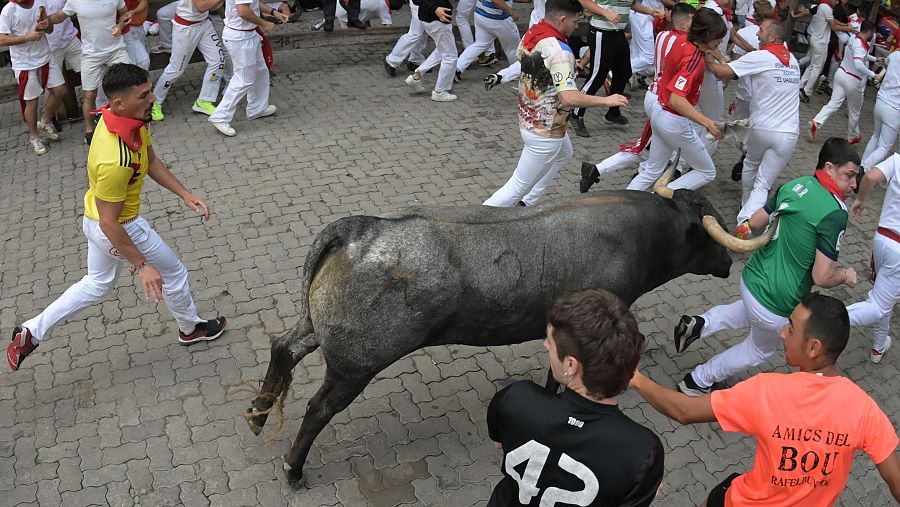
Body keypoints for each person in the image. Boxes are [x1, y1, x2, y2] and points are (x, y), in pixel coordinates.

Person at [7, 64, 227, 372]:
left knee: (97, 284)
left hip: (95, 219)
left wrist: (184, 194)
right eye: (144, 95)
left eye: (150, 90)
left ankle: (31, 331)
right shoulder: (116, 160)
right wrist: (141, 266)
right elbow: (111, 224)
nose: (152, 99)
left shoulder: (127, 119)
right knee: (174, 274)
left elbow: (149, 160)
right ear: (119, 103)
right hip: (119, 227)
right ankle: (191, 329)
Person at [630, 293, 900, 506]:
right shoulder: (863, 408)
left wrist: (637, 379)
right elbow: (894, 479)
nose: (782, 333)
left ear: (814, 347)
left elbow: (683, 410)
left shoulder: (767, 390)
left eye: (791, 329)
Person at [673, 139, 860, 397]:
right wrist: (845, 276)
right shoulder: (835, 213)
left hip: (751, 280)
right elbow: (822, 275)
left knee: (750, 311)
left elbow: (757, 221)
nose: (854, 185)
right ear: (829, 168)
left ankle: (700, 324)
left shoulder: (795, 184)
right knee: (758, 349)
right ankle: (698, 380)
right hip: (779, 301)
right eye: (849, 176)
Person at [487, 289, 664, 506]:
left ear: (571, 364)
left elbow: (499, 441)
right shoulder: (642, 453)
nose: (545, 345)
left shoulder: (516, 398)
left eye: (550, 342)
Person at [483, 0, 629, 207]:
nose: (578, 27)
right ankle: (474, 224)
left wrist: (501, 76)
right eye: (576, 21)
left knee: (564, 154)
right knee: (516, 186)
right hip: (544, 130)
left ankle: (528, 202)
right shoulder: (560, 52)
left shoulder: (533, 32)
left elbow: (525, 62)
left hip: (531, 119)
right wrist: (607, 100)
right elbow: (569, 97)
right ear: (562, 19)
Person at [705, 19, 801, 230]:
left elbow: (722, 72)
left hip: (762, 128)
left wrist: (701, 56)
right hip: (789, 132)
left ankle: (745, 215)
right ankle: (747, 216)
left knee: (750, 165)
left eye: (762, 31)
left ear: (773, 37)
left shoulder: (762, 56)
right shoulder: (793, 60)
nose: (757, 34)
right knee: (763, 183)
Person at [626, 7, 726, 193]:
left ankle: (624, 205)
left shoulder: (680, 41)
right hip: (673, 120)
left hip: (658, 111)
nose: (720, 42)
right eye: (718, 38)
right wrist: (708, 123)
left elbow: (664, 66)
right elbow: (677, 100)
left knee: (652, 170)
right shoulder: (695, 61)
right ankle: (662, 196)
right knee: (707, 171)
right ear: (706, 35)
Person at [567, 0, 664, 136]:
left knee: (624, 72)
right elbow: (584, 1)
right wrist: (606, 13)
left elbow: (632, 3)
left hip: (618, 32)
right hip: (601, 31)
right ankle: (576, 114)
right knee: (597, 76)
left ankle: (613, 112)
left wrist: (651, 12)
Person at [47, 0, 133, 145]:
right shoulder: (75, 1)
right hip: (90, 54)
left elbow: (125, 13)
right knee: (89, 94)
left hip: (116, 49)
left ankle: (130, 123)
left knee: (129, 85)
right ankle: (90, 131)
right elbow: (60, 17)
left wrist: (120, 25)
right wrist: (46, 19)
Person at [847, 152, 900, 364]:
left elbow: (869, 177)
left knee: (884, 297)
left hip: (883, 239)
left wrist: (860, 198)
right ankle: (820, 321)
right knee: (879, 306)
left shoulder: (898, 160)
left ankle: (878, 347)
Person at [208, 0, 286, 136]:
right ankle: (220, 117)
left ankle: (257, 107)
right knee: (243, 79)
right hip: (240, 37)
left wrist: (274, 12)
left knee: (260, 71)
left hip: (248, 34)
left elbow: (253, 3)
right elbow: (243, 11)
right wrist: (265, 23)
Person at [0, 0, 66, 155]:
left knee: (60, 90)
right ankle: (34, 137)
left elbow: (49, 29)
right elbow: (2, 39)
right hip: (24, 63)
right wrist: (27, 38)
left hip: (45, 56)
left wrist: (45, 25)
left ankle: (45, 121)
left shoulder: (39, 3)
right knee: (32, 102)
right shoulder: (8, 10)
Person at [151, 0, 231, 122]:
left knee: (218, 61)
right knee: (176, 69)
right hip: (185, 28)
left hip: (204, 24)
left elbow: (214, 7)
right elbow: (201, 6)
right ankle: (155, 102)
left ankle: (204, 101)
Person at [809, 21, 878, 145]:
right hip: (853, 79)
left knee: (833, 103)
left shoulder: (853, 38)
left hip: (841, 73)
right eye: (872, 33)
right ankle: (853, 136)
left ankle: (816, 121)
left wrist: (875, 59)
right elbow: (858, 63)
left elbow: (862, 56)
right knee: (854, 111)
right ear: (869, 32)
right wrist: (873, 74)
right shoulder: (860, 46)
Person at [798, 0, 855, 103]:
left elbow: (833, 21)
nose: (837, 2)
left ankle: (801, 85)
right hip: (821, 41)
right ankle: (806, 91)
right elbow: (834, 26)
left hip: (816, 38)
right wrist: (848, 28)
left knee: (812, 65)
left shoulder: (823, 6)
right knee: (817, 68)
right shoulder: (827, 8)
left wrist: (846, 26)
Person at [404, 0, 459, 102]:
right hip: (435, 18)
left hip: (431, 17)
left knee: (442, 50)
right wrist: (435, 9)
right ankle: (440, 92)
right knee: (450, 56)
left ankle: (417, 76)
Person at [453, 0, 519, 80]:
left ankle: (456, 68)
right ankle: (517, 72)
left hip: (482, 15)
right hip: (499, 19)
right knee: (513, 48)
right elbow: (497, 1)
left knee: (480, 44)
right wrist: (511, 12)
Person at [861, 50, 899, 170]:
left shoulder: (896, 54)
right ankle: (864, 170)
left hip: (881, 100)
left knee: (875, 136)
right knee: (884, 147)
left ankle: (863, 165)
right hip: (894, 108)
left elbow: (886, 64)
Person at [383, 0, 428, 76]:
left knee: (422, 32)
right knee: (416, 33)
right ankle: (392, 60)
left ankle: (416, 59)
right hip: (421, 3)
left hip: (426, 3)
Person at [122, 0, 150, 70]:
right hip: (125, 30)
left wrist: (133, 12)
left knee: (143, 61)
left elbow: (143, 2)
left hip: (136, 26)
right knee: (143, 61)